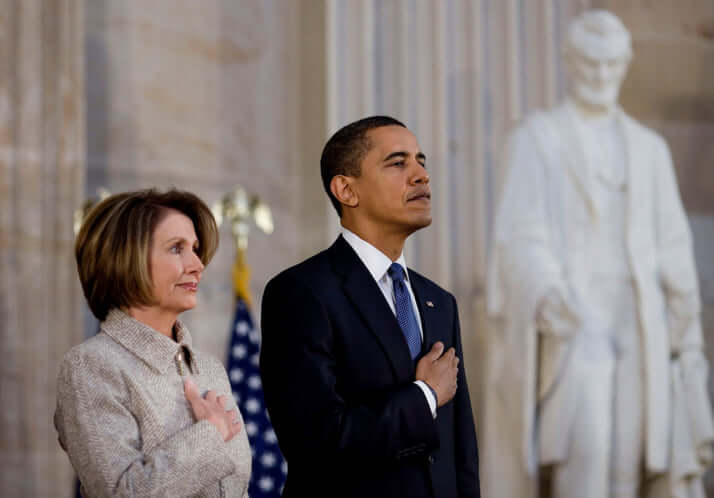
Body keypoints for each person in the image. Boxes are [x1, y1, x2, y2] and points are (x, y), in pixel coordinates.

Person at [484, 9, 713, 498]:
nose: (601, 76)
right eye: (590, 64)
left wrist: (686, 327)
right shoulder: (537, 139)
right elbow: (519, 234)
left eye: (611, 65)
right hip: (576, 318)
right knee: (582, 451)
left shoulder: (649, 149)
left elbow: (673, 246)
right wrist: (546, 291)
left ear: (625, 65)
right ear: (569, 61)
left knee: (632, 458)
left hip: (639, 318)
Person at [259, 116, 480, 498]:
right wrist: (424, 395)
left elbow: (460, 451)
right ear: (346, 189)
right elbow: (317, 443)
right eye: (398, 163)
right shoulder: (300, 293)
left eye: (421, 162)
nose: (421, 176)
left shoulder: (439, 302)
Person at [55, 189, 252, 497]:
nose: (197, 264)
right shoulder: (90, 366)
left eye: (196, 249)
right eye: (177, 248)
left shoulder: (210, 369)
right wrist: (210, 435)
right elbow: (121, 493)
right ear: (125, 258)